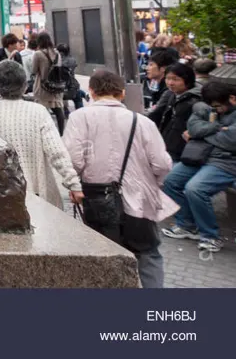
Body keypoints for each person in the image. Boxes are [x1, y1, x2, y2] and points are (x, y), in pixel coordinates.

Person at [63, 69, 176, 288]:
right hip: (140, 199)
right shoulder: (142, 122)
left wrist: (74, 185)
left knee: (104, 255)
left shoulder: (79, 118)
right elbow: (162, 164)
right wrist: (154, 182)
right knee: (147, 253)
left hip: (96, 195)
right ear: (122, 93)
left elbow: (72, 160)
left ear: (92, 92)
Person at [0, 61, 82, 208]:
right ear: (25, 85)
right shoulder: (38, 112)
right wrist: (73, 184)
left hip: (3, 193)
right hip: (39, 191)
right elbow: (57, 152)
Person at [161, 81, 236, 253]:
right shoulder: (209, 107)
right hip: (201, 156)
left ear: (232, 98)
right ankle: (187, 224)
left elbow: (233, 140)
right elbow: (193, 126)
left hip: (228, 162)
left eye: (218, 107)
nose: (215, 110)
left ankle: (211, 236)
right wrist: (217, 129)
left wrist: (200, 136)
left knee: (195, 189)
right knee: (170, 180)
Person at [146, 63, 201, 163]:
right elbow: (157, 114)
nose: (170, 83)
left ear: (187, 81)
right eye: (168, 78)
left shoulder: (196, 100)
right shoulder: (171, 94)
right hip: (167, 146)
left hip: (183, 150)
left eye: (175, 79)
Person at [31, 32, 66, 134]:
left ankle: (45, 133)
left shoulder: (38, 54)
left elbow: (33, 70)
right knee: (58, 109)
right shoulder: (57, 53)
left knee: (42, 111)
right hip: (56, 86)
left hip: (42, 86)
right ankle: (61, 133)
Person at [56, 43, 85, 112]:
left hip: (60, 89)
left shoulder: (57, 62)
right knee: (78, 97)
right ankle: (80, 112)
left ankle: (66, 112)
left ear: (60, 52)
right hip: (72, 87)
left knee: (60, 100)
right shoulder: (72, 60)